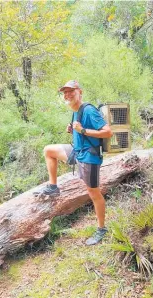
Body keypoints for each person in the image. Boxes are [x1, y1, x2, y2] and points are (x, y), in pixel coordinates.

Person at [34, 80, 113, 245]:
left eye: (71, 91)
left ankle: (101, 229)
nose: (67, 95)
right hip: (77, 151)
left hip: (89, 157)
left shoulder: (89, 110)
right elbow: (80, 131)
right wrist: (73, 130)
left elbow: (107, 132)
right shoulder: (75, 111)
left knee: (94, 193)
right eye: (65, 92)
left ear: (80, 92)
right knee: (49, 150)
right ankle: (53, 187)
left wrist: (82, 130)